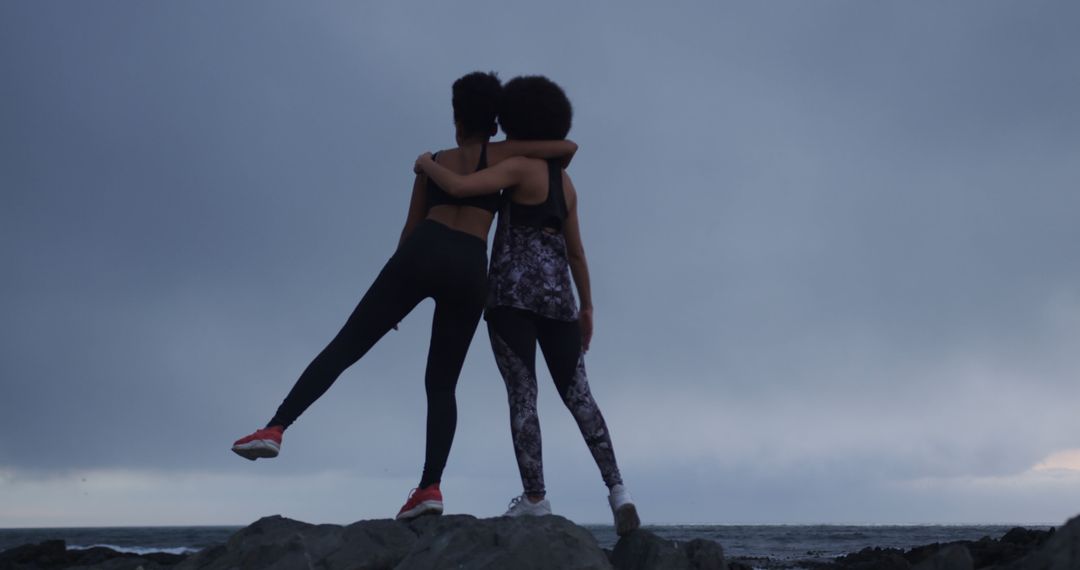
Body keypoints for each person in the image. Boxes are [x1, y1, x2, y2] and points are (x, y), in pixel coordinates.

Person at [230, 71, 577, 521]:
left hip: (419, 255)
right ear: (493, 121)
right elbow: (566, 151)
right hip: (470, 269)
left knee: (345, 347)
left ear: (456, 116)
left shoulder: (434, 158)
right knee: (441, 383)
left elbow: (410, 227)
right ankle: (430, 487)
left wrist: (394, 293)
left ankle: (275, 428)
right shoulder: (503, 155)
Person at [414, 75, 641, 535]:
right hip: (561, 301)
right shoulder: (566, 183)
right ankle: (619, 491)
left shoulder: (518, 168)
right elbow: (577, 252)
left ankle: (536, 498)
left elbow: (459, 188)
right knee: (581, 398)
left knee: (523, 398)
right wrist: (588, 307)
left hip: (510, 300)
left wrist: (424, 164)